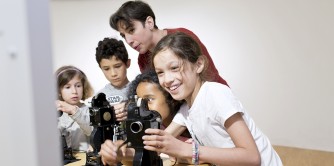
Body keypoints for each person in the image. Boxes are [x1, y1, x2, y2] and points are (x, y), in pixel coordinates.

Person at [142, 32, 282, 165]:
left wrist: (185, 150)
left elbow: (252, 157)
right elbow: (157, 143)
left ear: (199, 65)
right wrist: (122, 149)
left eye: (174, 68)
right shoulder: (186, 110)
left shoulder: (216, 94)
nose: (167, 80)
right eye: (160, 72)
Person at [110, 0, 229, 87]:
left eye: (131, 30)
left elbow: (209, 76)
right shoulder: (143, 59)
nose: (128, 40)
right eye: (123, 35)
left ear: (149, 22)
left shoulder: (182, 36)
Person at [99, 69, 192, 165]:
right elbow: (145, 151)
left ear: (171, 97)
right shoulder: (153, 126)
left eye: (149, 99)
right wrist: (119, 152)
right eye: (139, 100)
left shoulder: (190, 119)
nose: (142, 106)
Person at [56, 65, 94, 152]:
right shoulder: (56, 111)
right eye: (67, 87)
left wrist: (74, 111)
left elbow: (91, 130)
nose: (74, 91)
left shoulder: (90, 111)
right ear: (58, 91)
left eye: (78, 86)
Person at [95, 37, 131, 121]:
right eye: (106, 69)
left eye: (117, 66)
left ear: (127, 63)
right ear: (101, 68)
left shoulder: (139, 90)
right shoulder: (99, 97)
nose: (113, 74)